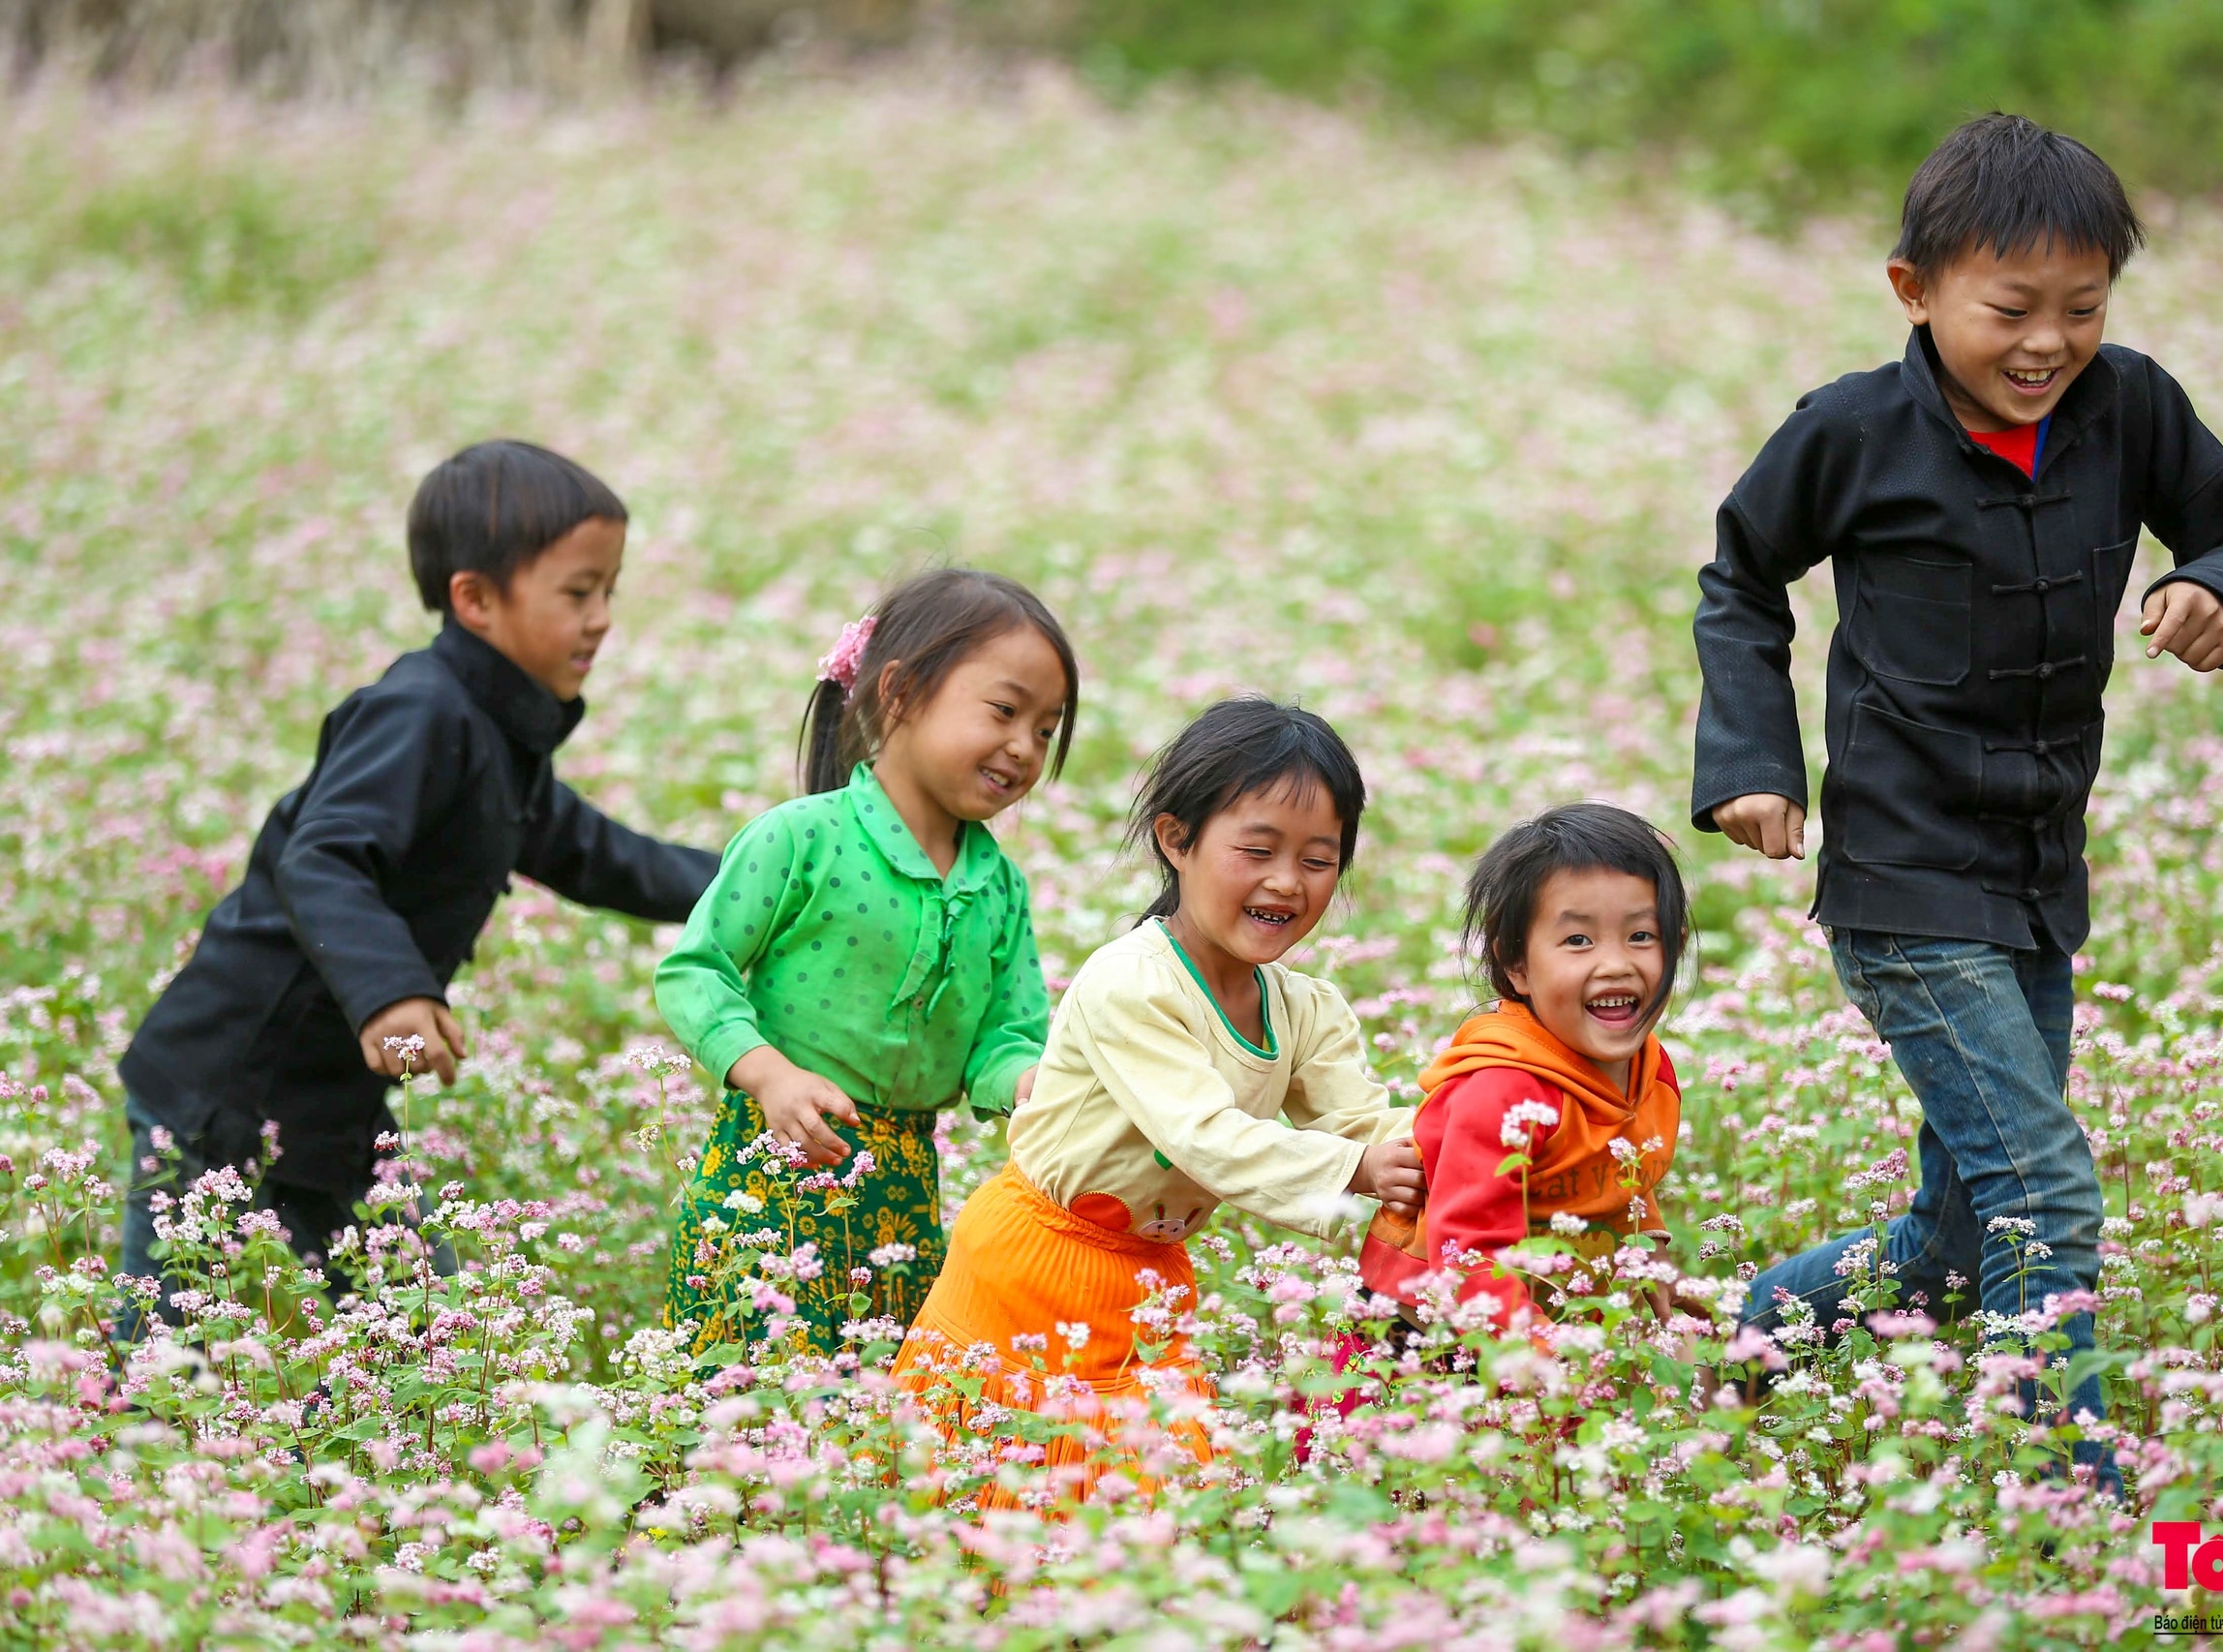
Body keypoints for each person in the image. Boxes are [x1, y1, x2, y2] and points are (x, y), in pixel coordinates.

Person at [1692, 112, 2223, 1489]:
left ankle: (1738, 1328)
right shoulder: (1850, 430)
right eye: (2011, 309)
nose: (2048, 343)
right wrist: (1752, 764)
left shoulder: (2131, 403)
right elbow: (1740, 577)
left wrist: (2219, 592)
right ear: (1914, 289)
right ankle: (2066, 1499)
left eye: (2083, 308)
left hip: (2034, 875)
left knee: (1961, 1233)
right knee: (2042, 1187)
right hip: (1903, 883)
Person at [117, 441, 720, 1331]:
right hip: (226, 1083)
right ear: (475, 599)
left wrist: (760, 878)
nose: (600, 620)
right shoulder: (422, 709)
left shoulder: (497, 732)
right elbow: (319, 857)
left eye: (609, 592)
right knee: (162, 1347)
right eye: (577, 592)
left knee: (424, 1335)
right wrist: (394, 992)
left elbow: (599, 855)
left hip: (333, 1099)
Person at [894, 696, 1423, 1505]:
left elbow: (1363, 1124)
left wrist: (1473, 1124)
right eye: (1257, 849)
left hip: (1149, 1274)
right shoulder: (1132, 980)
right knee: (1007, 1491)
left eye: (1319, 860)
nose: (1287, 881)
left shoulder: (1305, 1006)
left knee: (1156, 1488)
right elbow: (1200, 1135)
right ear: (1176, 839)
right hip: (1033, 1261)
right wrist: (1360, 1168)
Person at [656, 568, 1076, 1350]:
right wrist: (767, 1074)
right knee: (740, 1403)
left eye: (1046, 730)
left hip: (908, 1190)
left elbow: (1005, 1034)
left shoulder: (1001, 888)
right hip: (766, 1170)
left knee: (873, 1408)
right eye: (1005, 711)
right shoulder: (799, 837)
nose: (1024, 748)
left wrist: (1027, 1083)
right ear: (902, 693)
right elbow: (694, 969)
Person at [1359, 803, 1687, 1333]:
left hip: (1550, 1322)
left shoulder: (1651, 1070)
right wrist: (1537, 1357)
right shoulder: (1499, 1092)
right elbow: (1467, 1256)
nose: (1616, 963)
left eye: (1641, 936)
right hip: (1427, 1333)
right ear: (1516, 966)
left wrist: (1649, 1252)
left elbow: (1624, 1171)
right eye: (1578, 940)